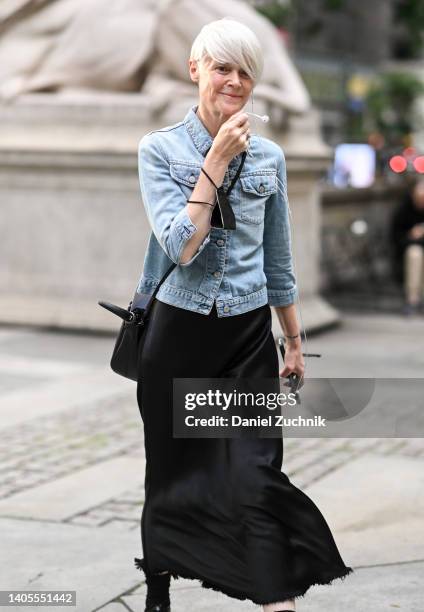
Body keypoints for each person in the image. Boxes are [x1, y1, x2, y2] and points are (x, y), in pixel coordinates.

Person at [133, 18, 353, 612]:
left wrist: (296, 342)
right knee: (173, 478)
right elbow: (182, 246)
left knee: (255, 475)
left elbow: (279, 261)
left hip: (248, 340)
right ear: (195, 69)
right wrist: (214, 162)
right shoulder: (158, 150)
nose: (235, 80)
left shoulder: (271, 158)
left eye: (245, 71)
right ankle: (159, 586)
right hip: (179, 340)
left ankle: (274, 597)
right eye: (223, 67)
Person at [390, 179, 424, 316]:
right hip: (407, 249)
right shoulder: (403, 211)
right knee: (415, 254)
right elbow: (395, 237)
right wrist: (412, 236)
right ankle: (413, 299)